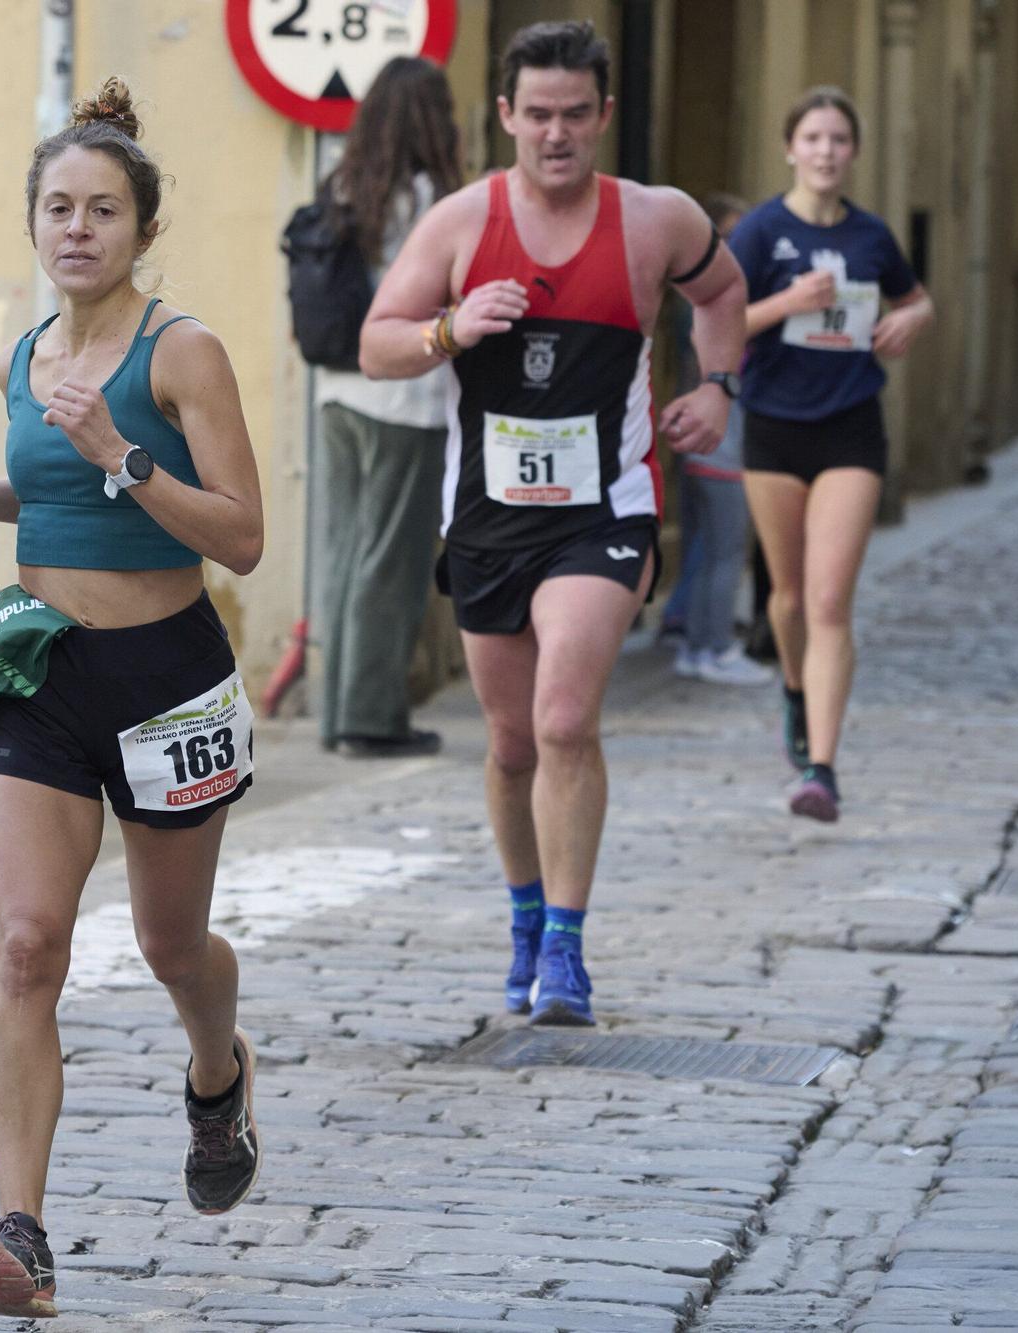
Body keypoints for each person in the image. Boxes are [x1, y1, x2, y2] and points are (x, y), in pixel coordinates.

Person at [0, 78, 265, 1320]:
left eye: (101, 209)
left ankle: (216, 1075)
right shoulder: (24, 352)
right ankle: (22, 1232)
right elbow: (58, 496)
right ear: (34, 224)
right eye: (57, 207)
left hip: (166, 679)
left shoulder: (182, 350)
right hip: (44, 674)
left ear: (140, 231)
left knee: (171, 945)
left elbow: (243, 534)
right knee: (24, 946)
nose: (76, 228)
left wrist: (126, 454)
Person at [358, 20, 746, 1026]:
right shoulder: (457, 222)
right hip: (487, 516)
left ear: (604, 116)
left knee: (564, 716)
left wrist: (719, 391)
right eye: (537, 115)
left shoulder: (653, 219)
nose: (557, 133)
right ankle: (526, 917)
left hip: (603, 512)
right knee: (510, 739)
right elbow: (375, 345)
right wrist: (449, 327)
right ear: (505, 117)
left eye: (576, 114)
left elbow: (723, 292)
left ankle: (567, 951)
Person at [731, 86, 934, 823]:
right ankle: (794, 686)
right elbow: (716, 325)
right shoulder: (759, 234)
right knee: (786, 598)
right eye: (812, 138)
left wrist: (912, 320)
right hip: (775, 429)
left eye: (838, 140)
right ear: (790, 148)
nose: (825, 151)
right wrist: (787, 303)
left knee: (828, 600)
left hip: (851, 426)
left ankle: (821, 766)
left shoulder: (871, 238)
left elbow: (915, 298)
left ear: (854, 152)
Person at [311, 58, 463, 758]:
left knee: (345, 554)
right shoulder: (430, 195)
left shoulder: (342, 183)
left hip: (339, 389)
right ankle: (372, 719)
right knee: (390, 564)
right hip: (406, 394)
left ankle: (339, 715)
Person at [661, 193, 772, 687]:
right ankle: (714, 647)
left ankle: (697, 644)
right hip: (719, 446)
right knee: (725, 550)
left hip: (709, 444)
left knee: (709, 548)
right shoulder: (708, 304)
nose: (736, 248)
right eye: (728, 238)